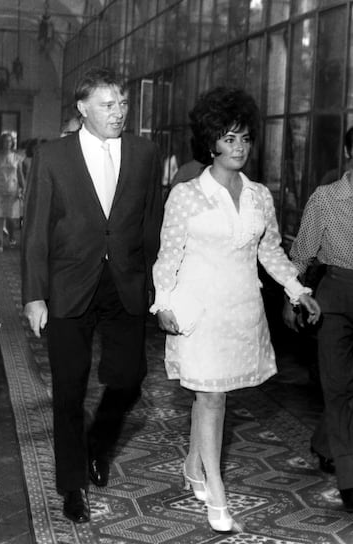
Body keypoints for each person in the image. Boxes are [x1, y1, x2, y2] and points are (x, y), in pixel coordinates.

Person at [150, 87, 320, 533]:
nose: (239, 147)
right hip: (199, 311)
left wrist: (296, 289)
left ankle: (192, 464)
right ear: (211, 143)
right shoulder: (186, 194)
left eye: (244, 138)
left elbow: (271, 252)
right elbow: (168, 255)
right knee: (210, 397)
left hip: (242, 310)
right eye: (229, 139)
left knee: (215, 394)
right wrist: (162, 302)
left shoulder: (261, 196)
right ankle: (217, 492)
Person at [21, 67, 162, 524]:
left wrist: (154, 284)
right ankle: (72, 486)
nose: (119, 112)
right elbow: (36, 229)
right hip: (68, 284)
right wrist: (34, 295)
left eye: (123, 103)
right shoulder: (53, 156)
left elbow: (149, 225)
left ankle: (99, 441)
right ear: (82, 108)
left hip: (124, 281)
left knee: (129, 378)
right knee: (68, 389)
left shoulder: (144, 153)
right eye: (108, 104)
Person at [284, 132, 353, 512]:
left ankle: (327, 442)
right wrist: (289, 297)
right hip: (336, 298)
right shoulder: (325, 199)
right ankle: (349, 476)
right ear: (347, 151)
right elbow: (301, 255)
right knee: (338, 386)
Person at [0, 132, 25, 251]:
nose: (7, 143)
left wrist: (23, 188)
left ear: (12, 143)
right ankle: (0, 243)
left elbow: (20, 174)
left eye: (9, 141)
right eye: (5, 141)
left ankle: (11, 236)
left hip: (12, 190)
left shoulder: (16, 157)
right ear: (2, 143)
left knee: (10, 218)